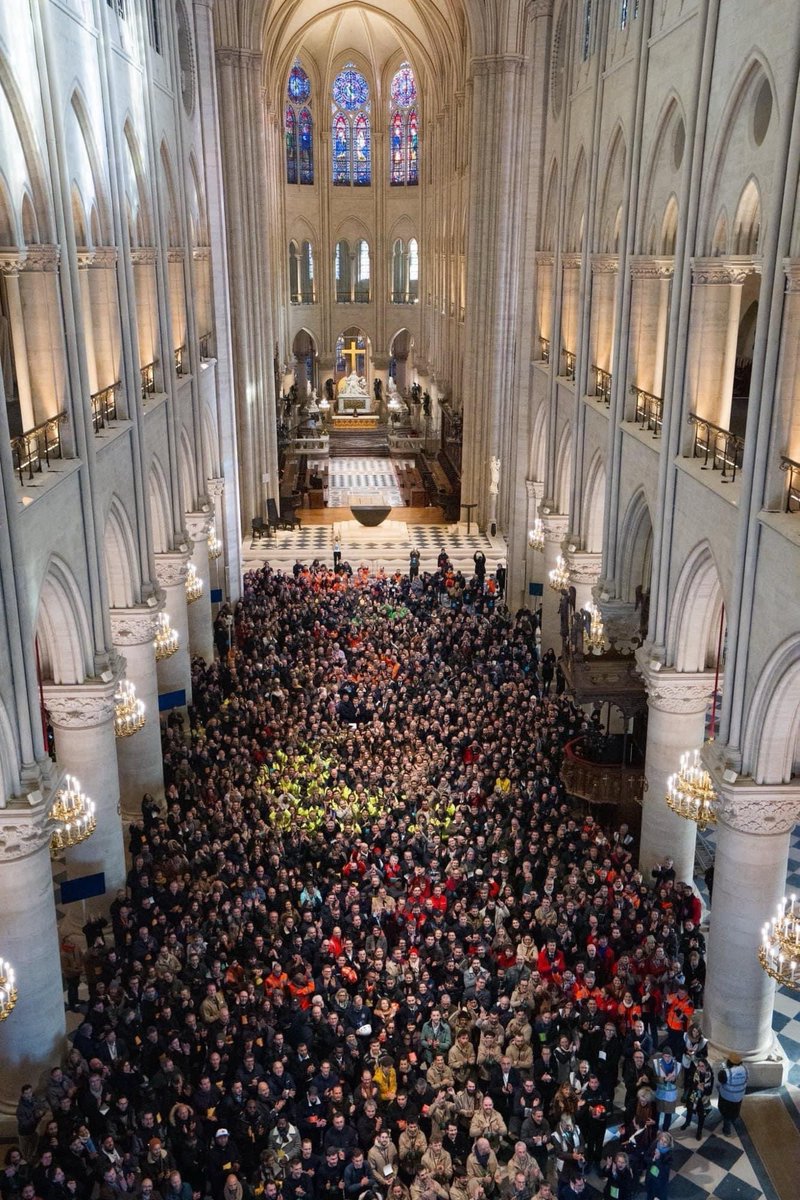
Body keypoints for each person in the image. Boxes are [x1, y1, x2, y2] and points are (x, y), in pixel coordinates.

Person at [680, 1058, 713, 1140]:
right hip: (693, 1095)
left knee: (701, 1115)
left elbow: (709, 1091)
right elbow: (689, 1083)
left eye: (702, 1066)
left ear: (706, 1066)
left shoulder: (710, 1075)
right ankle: (687, 1122)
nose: (700, 1067)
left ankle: (699, 1131)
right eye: (699, 1065)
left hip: (703, 1098)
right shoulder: (695, 1072)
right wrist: (696, 1086)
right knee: (689, 1109)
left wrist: (703, 1089)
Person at [717, 1053, 748, 1136]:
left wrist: (724, 1069)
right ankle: (734, 1119)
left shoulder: (726, 1072)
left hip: (727, 1097)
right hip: (739, 1097)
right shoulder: (745, 1069)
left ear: (729, 1062)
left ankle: (727, 1131)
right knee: (735, 1111)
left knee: (726, 1114)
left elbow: (721, 1079)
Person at [643, 1133, 672, 1200]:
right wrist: (653, 1159)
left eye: (665, 1142)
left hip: (660, 1181)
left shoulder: (669, 1154)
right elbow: (646, 1158)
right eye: (661, 1140)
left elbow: (665, 1170)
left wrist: (658, 1159)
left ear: (668, 1144)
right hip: (650, 1176)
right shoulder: (655, 1144)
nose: (662, 1143)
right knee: (649, 1194)